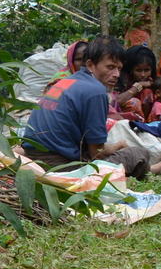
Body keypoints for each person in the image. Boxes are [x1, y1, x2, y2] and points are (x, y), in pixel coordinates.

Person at [21, 35, 152, 178]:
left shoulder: (67, 81)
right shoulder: (95, 91)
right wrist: (116, 146)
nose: (116, 74)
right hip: (58, 164)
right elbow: (96, 152)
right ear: (90, 65)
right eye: (110, 67)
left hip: (34, 154)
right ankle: (149, 172)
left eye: (119, 69)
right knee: (138, 154)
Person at [113, 44, 157, 121]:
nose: (143, 75)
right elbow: (116, 101)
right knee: (134, 103)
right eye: (138, 70)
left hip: (146, 120)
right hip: (119, 118)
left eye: (146, 70)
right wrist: (138, 86)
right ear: (130, 69)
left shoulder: (154, 82)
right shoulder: (118, 78)